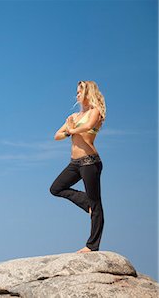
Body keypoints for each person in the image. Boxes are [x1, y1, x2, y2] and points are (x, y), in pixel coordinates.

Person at [50, 80, 107, 253]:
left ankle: (92, 246)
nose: (77, 95)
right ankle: (86, 203)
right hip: (74, 163)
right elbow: (57, 135)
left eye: (79, 92)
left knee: (96, 203)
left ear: (88, 92)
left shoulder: (94, 112)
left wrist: (73, 130)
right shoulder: (74, 117)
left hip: (90, 162)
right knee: (56, 188)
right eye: (76, 92)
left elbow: (89, 127)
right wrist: (69, 130)